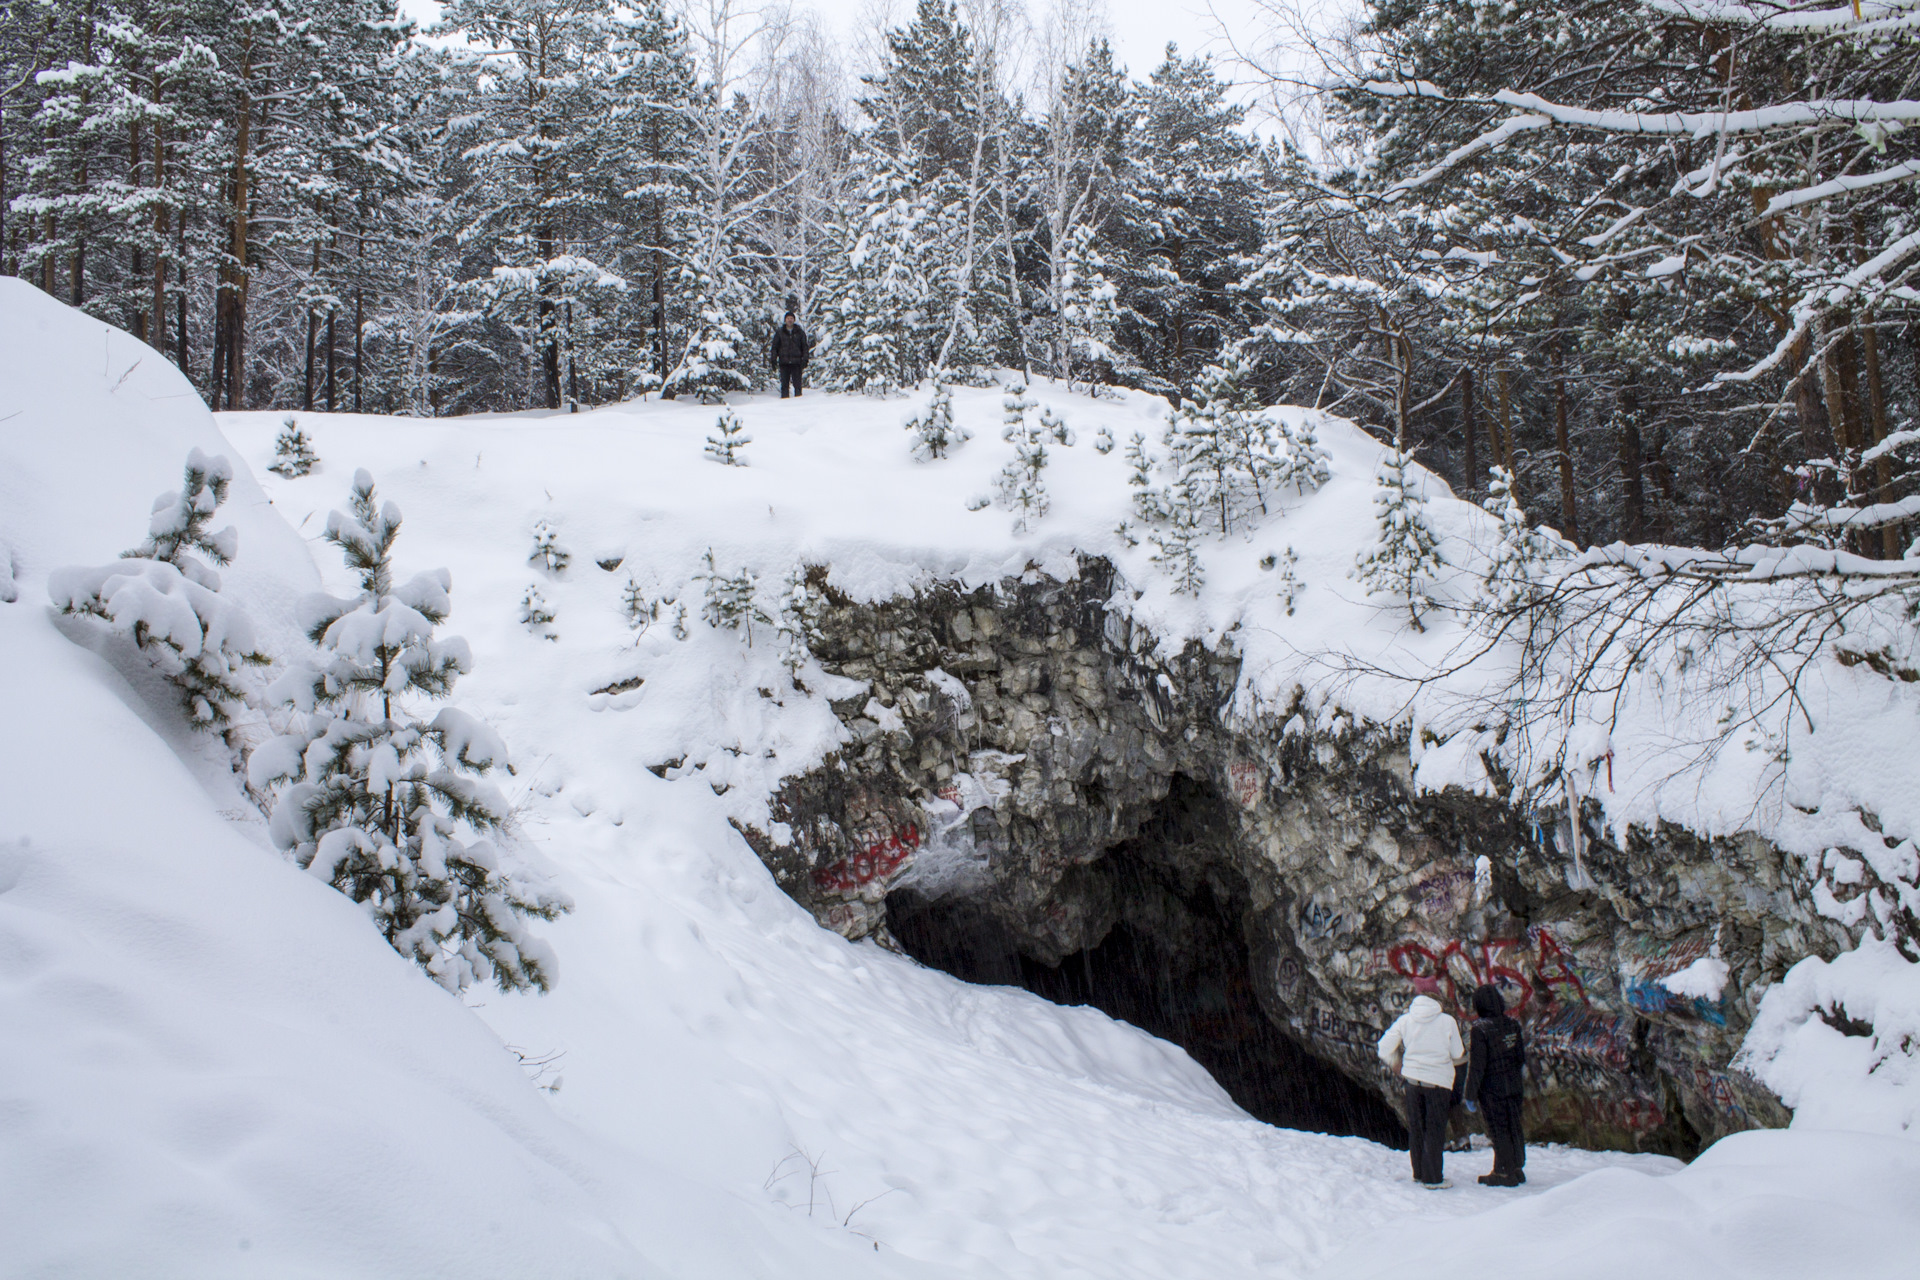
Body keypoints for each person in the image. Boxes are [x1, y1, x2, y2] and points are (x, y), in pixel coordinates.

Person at [1377, 975, 1466, 1189]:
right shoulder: (1447, 1021)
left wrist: (1396, 1063)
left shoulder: (1406, 1019)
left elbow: (1383, 1047)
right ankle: (1433, 1178)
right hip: (1438, 1083)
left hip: (1413, 1082)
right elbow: (1458, 1052)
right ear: (1437, 995)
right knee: (1435, 1129)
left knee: (1416, 1128)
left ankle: (1418, 1172)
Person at [1463, 983, 1528, 1186]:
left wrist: (1470, 1094)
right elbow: (1520, 1057)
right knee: (1514, 1126)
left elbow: (1478, 1066)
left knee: (1498, 1129)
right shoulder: (1512, 1025)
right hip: (1514, 1085)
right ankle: (1516, 1167)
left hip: (1492, 1089)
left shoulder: (1480, 1029)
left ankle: (1503, 1172)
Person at [769, 310, 810, 399]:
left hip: (796, 362)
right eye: (788, 318)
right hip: (784, 362)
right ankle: (785, 403)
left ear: (794, 320)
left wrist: (805, 359)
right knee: (784, 385)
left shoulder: (800, 332)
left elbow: (805, 347)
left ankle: (799, 403)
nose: (790, 320)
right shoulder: (780, 332)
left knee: (797, 385)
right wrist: (773, 359)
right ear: (785, 320)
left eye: (791, 318)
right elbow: (775, 347)